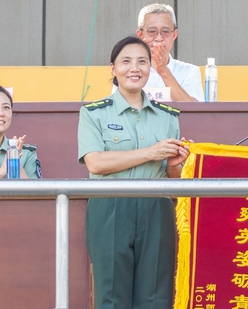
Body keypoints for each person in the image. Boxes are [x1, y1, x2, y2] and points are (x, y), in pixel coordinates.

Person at [78, 36, 190, 309]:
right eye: (126, 61)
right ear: (113, 68)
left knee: (156, 297)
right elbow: (95, 163)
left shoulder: (168, 116)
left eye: (142, 62)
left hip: (157, 207)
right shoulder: (93, 113)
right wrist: (151, 152)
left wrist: (174, 165)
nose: (134, 68)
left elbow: (174, 180)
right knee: (112, 296)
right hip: (110, 206)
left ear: (150, 68)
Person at [135, 3, 203, 101]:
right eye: (152, 31)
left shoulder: (189, 72)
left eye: (165, 32)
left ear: (174, 35)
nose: (159, 38)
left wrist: (164, 70)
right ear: (140, 35)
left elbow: (194, 109)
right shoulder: (130, 71)